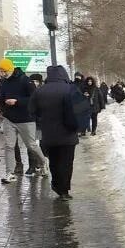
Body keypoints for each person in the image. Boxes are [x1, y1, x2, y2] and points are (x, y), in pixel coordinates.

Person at [31, 65, 81, 199]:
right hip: (68, 134)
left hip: (49, 134)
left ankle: (56, 184)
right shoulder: (71, 89)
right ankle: (64, 190)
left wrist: (41, 122)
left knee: (54, 161)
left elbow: (32, 111)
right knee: (67, 162)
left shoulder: (40, 91)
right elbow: (80, 109)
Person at [0, 58, 47, 183]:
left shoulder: (25, 80)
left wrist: (17, 101)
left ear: (10, 69)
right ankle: (10, 173)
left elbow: (34, 98)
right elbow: (2, 96)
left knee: (31, 145)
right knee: (9, 146)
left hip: (26, 119)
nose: (2, 74)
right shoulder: (4, 82)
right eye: (0, 71)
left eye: (4, 71)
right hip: (9, 118)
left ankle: (43, 162)